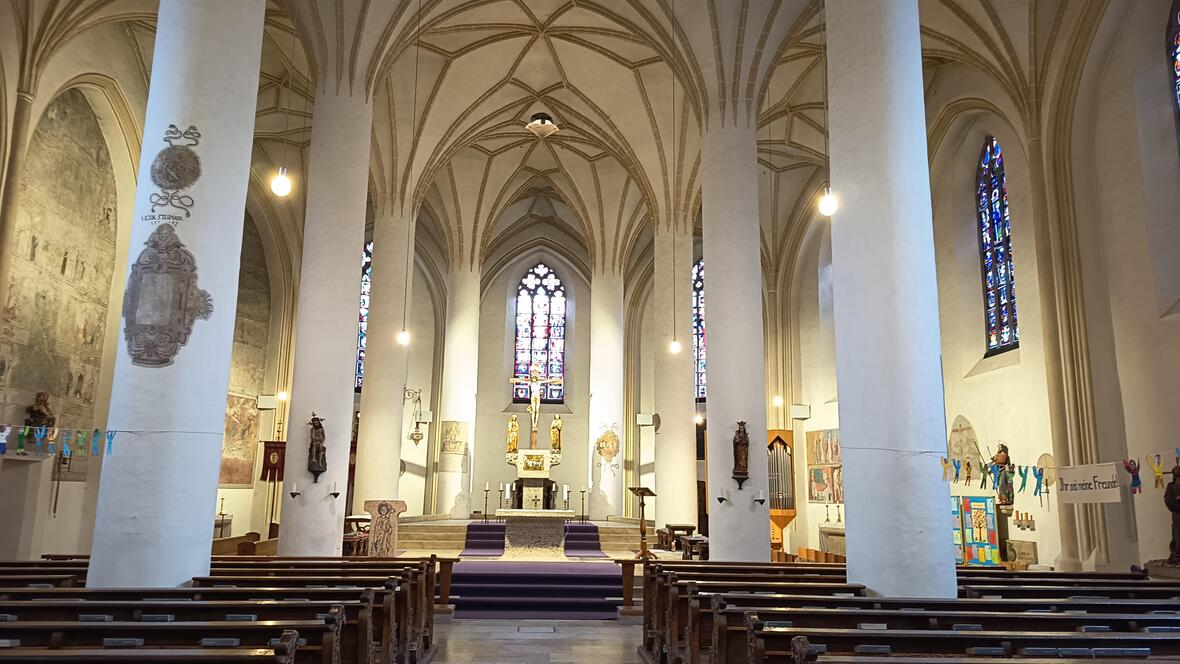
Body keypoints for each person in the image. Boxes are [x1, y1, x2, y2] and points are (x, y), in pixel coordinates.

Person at [1166, 466, 1180, 565]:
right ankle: (1176, 556)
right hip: (1177, 514)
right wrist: (1177, 499)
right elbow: (1168, 501)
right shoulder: (1170, 486)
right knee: (1177, 536)